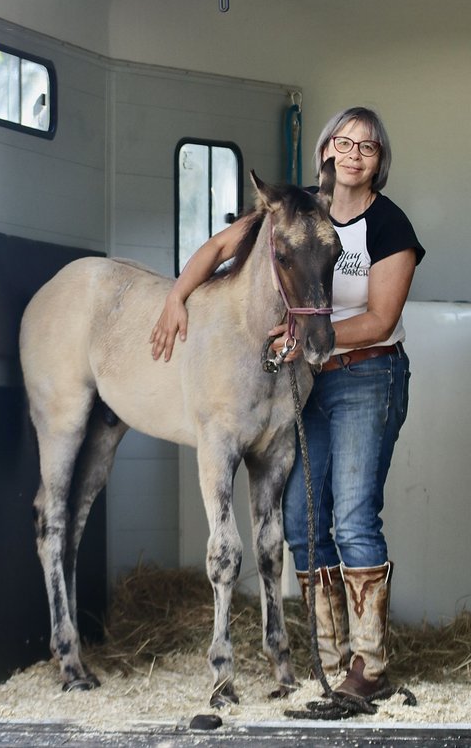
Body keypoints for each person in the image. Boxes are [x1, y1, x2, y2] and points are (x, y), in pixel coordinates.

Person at [151, 107, 424, 701]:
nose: (354, 153)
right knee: (301, 518)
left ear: (380, 161)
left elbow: (381, 318)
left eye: (368, 147)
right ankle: (329, 660)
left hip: (363, 374)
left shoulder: (389, 226)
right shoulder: (296, 207)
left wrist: (308, 339)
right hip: (305, 383)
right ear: (325, 149)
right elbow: (220, 245)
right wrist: (176, 296)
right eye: (344, 142)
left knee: (352, 517)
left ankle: (368, 667)